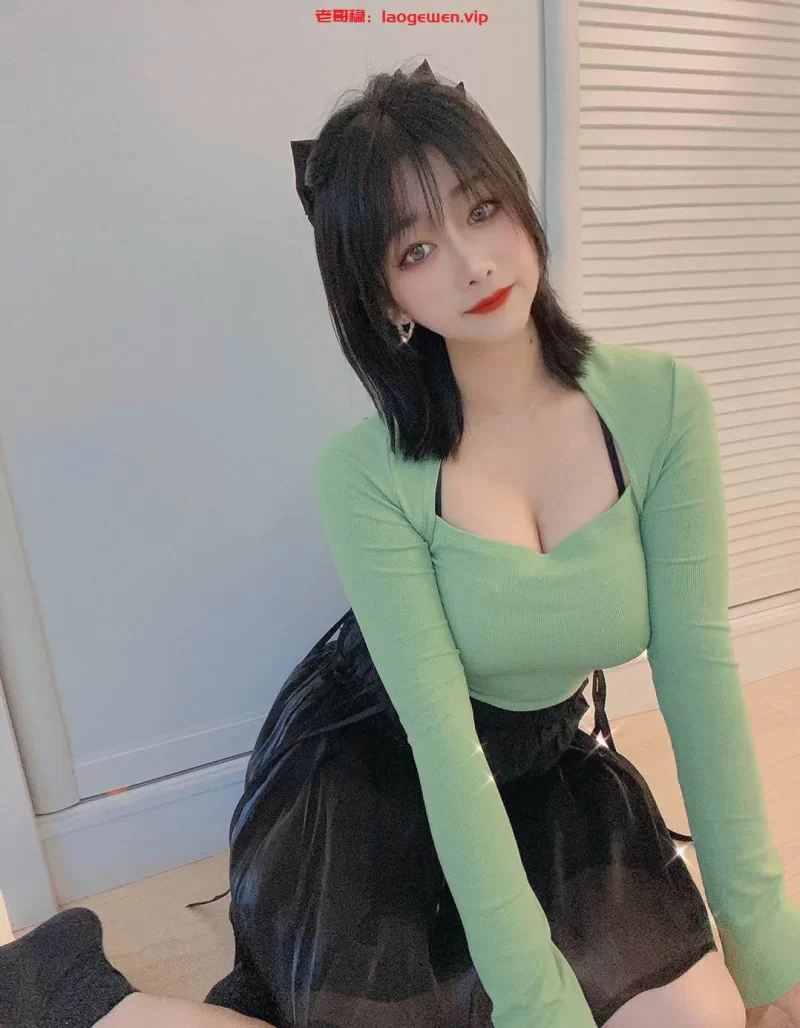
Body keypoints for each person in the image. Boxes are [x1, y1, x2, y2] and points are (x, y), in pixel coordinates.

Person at [1, 58, 798, 1028]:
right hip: (380, 770)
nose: (472, 263)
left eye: (481, 208)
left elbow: (699, 672)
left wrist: (766, 941)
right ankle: (72, 990)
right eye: (415, 249)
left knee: (700, 1017)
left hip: (541, 765)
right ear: (382, 293)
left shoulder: (660, 403)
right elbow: (441, 740)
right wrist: (535, 1001)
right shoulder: (365, 471)